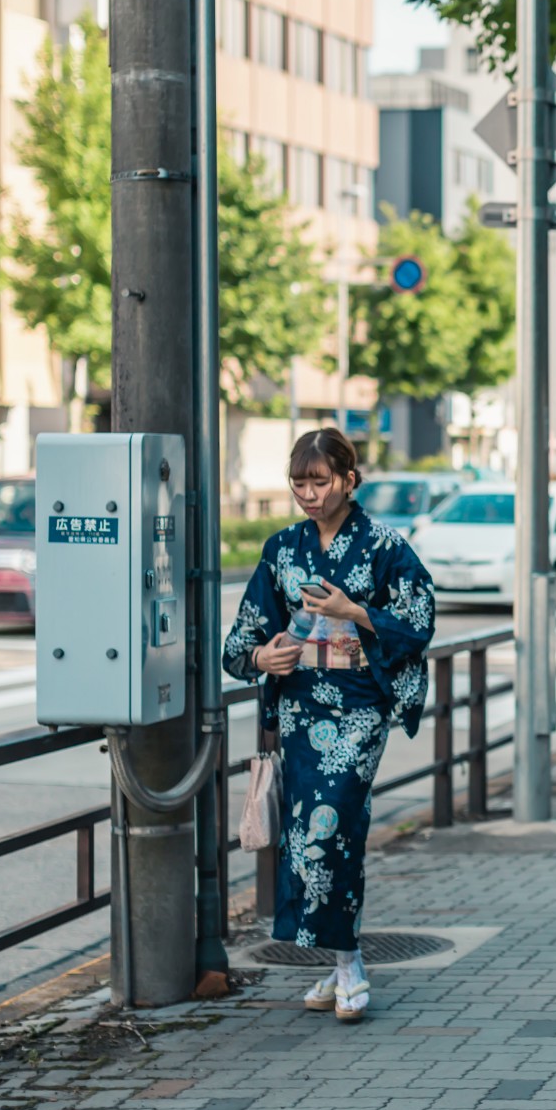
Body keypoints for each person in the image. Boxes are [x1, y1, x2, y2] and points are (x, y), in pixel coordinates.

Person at [222, 428, 436, 1023]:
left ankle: (347, 962)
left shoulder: (385, 545)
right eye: (300, 482)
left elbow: (419, 619)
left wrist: (353, 611)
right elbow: (242, 637)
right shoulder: (281, 549)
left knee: (329, 826)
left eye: (321, 481)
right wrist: (264, 657)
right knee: (310, 834)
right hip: (300, 708)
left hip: (360, 709)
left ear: (348, 479)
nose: (309, 494)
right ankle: (341, 961)